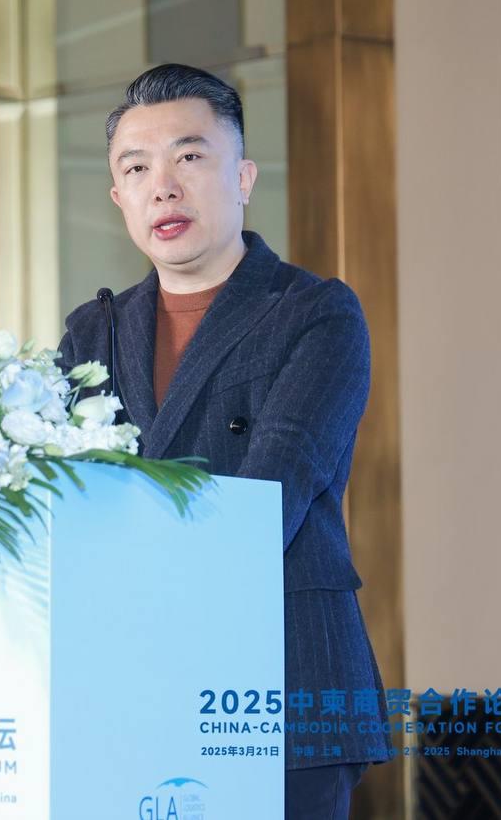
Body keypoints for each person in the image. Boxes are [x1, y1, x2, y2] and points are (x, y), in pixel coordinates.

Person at [56, 63, 393, 817]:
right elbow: (56, 501)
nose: (163, 187)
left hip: (282, 673)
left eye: (189, 156)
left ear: (243, 178)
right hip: (129, 687)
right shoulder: (92, 332)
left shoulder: (315, 312)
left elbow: (269, 493)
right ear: (118, 198)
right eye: (136, 169)